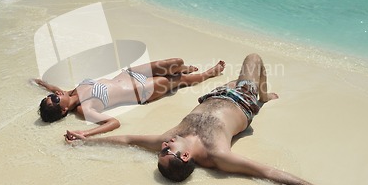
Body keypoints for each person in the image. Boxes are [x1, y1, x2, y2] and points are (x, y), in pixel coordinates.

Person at [65, 53, 355, 185]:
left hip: (214, 95)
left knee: (224, 78)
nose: (164, 146)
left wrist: (84, 141)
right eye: (168, 152)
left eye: (162, 151)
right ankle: (263, 95)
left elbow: (127, 139)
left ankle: (244, 87)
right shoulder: (217, 155)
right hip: (242, 100)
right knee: (253, 59)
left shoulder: (171, 139)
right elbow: (268, 172)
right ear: (186, 157)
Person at [35, 58, 226, 138]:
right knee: (177, 79)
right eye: (56, 99)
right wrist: (85, 134)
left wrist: (41, 84)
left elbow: (55, 90)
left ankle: (181, 68)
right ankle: (209, 74)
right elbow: (113, 122)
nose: (56, 95)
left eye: (53, 95)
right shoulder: (84, 109)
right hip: (141, 91)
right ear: (63, 111)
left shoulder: (70, 92)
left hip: (130, 74)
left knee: (176, 62)